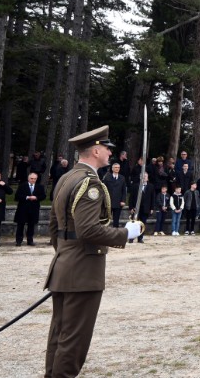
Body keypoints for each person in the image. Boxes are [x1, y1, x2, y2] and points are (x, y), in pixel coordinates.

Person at [44, 125, 142, 377]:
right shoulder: (90, 184)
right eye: (107, 149)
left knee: (60, 335)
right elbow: (88, 230)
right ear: (96, 150)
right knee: (74, 341)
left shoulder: (67, 178)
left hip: (65, 265)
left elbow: (55, 227)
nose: (110, 153)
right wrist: (126, 234)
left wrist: (65, 255)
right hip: (82, 272)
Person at [14, 172, 47, 246]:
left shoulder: (40, 187)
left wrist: (36, 197)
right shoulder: (22, 186)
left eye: (35, 179)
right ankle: (19, 240)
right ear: (28, 178)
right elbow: (17, 196)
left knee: (31, 225)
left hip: (34, 208)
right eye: (32, 178)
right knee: (20, 225)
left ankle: (30, 240)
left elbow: (43, 196)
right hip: (23, 208)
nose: (33, 180)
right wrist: (27, 197)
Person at [128, 172, 155, 243]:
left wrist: (152, 208)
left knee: (143, 224)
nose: (144, 178)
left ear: (147, 178)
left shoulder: (151, 186)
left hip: (146, 208)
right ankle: (131, 238)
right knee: (135, 223)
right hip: (136, 209)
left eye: (145, 176)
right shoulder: (135, 186)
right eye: (142, 176)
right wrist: (131, 207)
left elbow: (152, 198)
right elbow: (131, 198)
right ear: (140, 177)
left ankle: (140, 238)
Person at [102, 162, 126, 228]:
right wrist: (104, 200)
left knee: (116, 220)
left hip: (118, 202)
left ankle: (115, 234)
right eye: (115, 167)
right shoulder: (107, 177)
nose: (117, 169)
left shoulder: (122, 178)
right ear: (112, 169)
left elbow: (124, 190)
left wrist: (123, 200)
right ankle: (105, 233)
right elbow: (104, 190)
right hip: (109, 202)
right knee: (106, 219)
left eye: (118, 167)